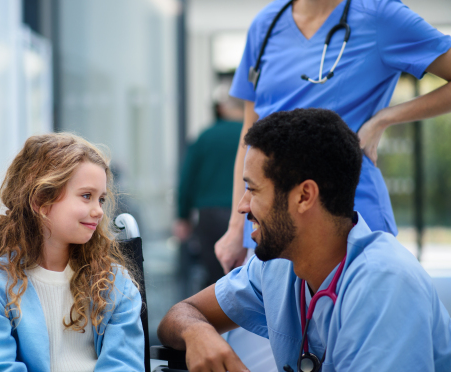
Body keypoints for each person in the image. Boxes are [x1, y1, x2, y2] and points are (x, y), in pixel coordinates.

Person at [158, 109, 451, 372]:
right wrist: (198, 333)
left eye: (253, 190)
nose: (242, 206)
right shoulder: (279, 264)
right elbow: (179, 316)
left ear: (304, 196)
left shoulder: (386, 285)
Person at [215, 0, 451, 275]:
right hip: (270, 220)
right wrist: (235, 227)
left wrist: (385, 118)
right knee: (277, 317)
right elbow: (249, 135)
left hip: (348, 215)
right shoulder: (266, 24)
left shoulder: (379, 15)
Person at [0, 133, 144, 371]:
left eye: (101, 199)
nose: (99, 211)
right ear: (40, 201)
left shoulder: (115, 283)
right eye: (86, 196)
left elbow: (125, 365)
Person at [174, 80, 243, 289]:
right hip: (246, 212)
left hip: (209, 215)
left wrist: (182, 216)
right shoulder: (254, 134)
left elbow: (187, 178)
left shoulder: (205, 136)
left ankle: (213, 318)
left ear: (222, 107)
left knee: (215, 278)